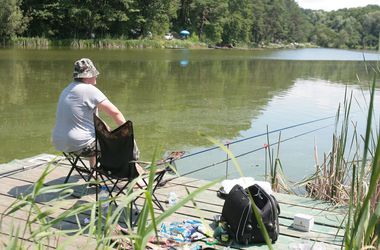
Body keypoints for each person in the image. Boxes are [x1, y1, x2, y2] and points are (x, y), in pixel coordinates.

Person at [52, 58, 139, 167]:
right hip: (81, 145)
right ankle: (133, 173)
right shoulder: (89, 90)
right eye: (94, 73)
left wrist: (108, 129)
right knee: (122, 144)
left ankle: (93, 170)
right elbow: (115, 113)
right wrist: (128, 137)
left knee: (95, 136)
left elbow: (89, 120)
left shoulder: (67, 89)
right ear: (87, 75)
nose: (96, 76)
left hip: (60, 142)